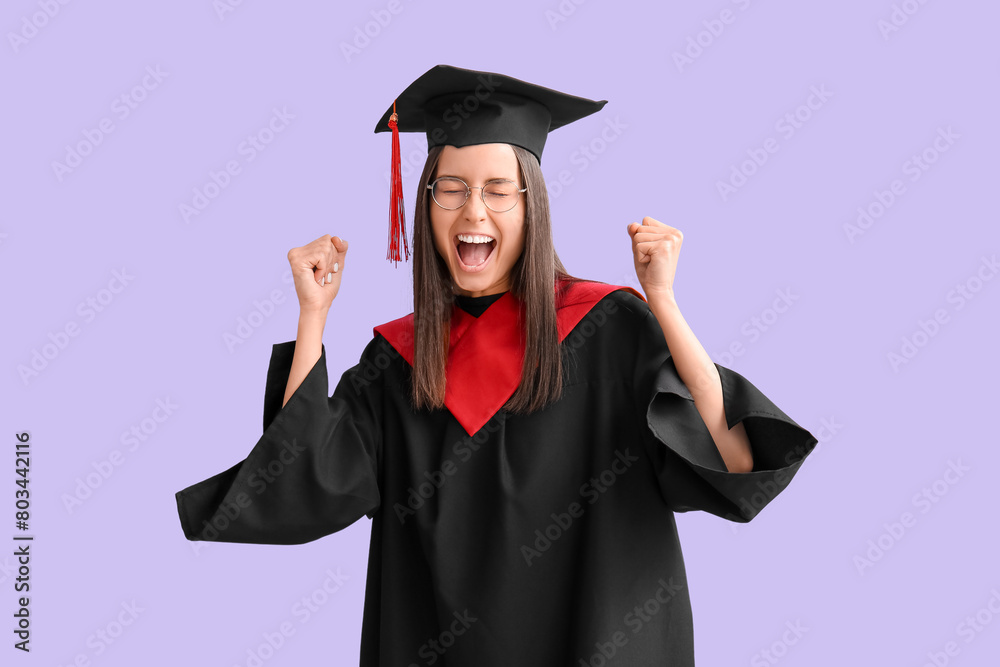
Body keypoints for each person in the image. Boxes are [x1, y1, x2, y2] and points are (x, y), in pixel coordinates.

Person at [175, 64, 818, 666]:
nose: (473, 211)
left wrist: (665, 303)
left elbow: (732, 458)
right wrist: (312, 316)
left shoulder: (613, 328)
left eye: (496, 191)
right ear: (425, 206)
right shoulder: (397, 363)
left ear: (531, 205)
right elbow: (299, 481)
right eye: (449, 189)